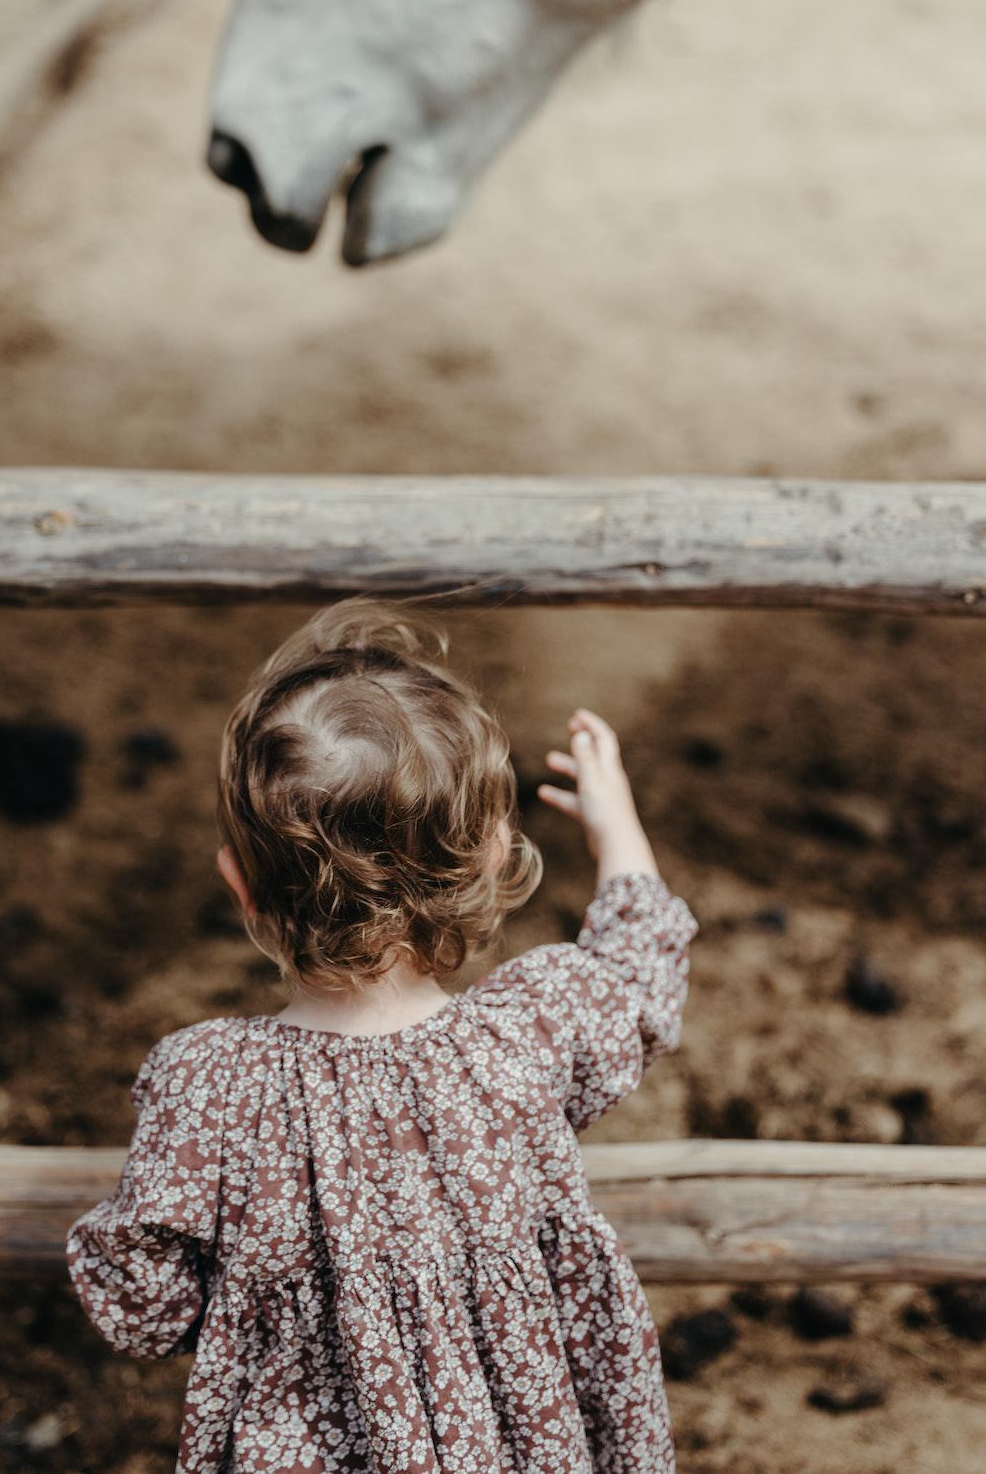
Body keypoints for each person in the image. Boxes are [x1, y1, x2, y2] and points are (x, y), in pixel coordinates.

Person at [65, 596, 699, 1473]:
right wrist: (618, 827)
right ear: (487, 861)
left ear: (240, 883)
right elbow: (639, 973)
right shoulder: (528, 1032)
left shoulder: (207, 1085)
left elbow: (145, 1309)